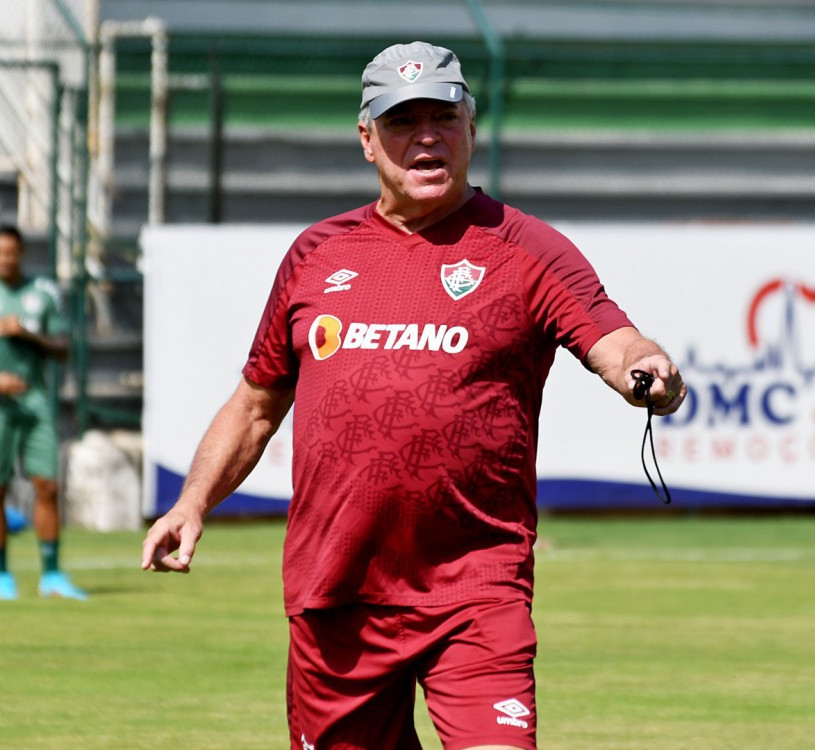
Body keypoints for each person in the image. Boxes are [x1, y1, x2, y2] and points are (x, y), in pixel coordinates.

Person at [142, 41, 686, 749]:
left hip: (474, 592)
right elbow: (254, 406)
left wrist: (651, 373)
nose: (426, 137)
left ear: (471, 127)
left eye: (443, 117)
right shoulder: (317, 255)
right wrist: (191, 503)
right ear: (367, 138)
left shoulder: (528, 249)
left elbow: (616, 342)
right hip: (336, 595)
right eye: (403, 121)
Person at [0, 224, 87, 601]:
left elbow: (61, 348)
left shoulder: (43, 293)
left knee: (48, 486)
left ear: (21, 252)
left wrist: (26, 333)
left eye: (11, 252)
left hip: (34, 400)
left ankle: (52, 575)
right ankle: (2, 576)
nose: (5, 259)